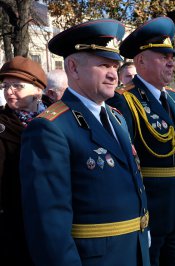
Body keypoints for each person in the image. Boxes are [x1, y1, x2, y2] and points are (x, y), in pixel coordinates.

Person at [19, 19, 149, 266]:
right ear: (73, 68)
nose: (113, 74)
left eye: (115, 65)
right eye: (103, 65)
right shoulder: (50, 128)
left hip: (134, 251)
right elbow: (49, 226)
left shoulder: (117, 118)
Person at [107, 17, 175, 266]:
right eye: (162, 55)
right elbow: (126, 167)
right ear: (141, 60)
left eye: (172, 57)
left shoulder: (172, 98)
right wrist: (136, 217)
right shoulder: (124, 100)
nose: (171, 62)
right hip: (151, 214)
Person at [0, 56, 48, 265]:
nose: (9, 91)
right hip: (12, 218)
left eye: (17, 85)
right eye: (5, 85)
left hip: (53, 214)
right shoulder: (2, 123)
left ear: (38, 90)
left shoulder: (57, 117)